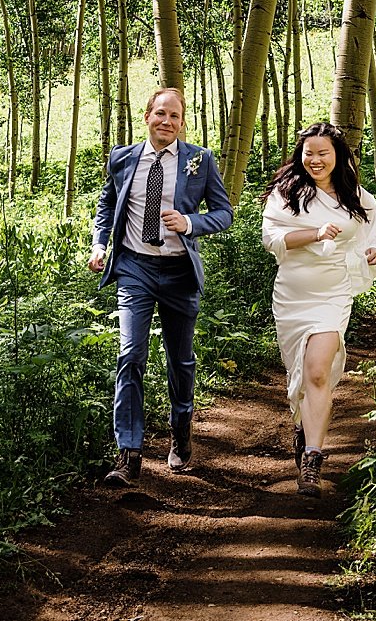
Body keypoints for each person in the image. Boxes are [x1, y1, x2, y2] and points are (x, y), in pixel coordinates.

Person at [89, 87, 233, 486]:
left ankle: (181, 429)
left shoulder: (200, 161)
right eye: (160, 114)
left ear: (182, 122)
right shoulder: (121, 159)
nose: (166, 122)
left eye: (175, 116)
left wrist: (190, 223)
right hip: (135, 269)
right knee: (131, 354)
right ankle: (129, 453)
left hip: (178, 273)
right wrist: (100, 243)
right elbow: (107, 206)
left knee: (180, 360)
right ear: (147, 117)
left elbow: (224, 213)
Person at [260, 121, 376, 497]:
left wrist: (373, 253)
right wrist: (315, 234)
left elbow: (372, 235)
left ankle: (312, 458)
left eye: (323, 153)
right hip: (292, 294)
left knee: (317, 371)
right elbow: (273, 239)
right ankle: (302, 424)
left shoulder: (357, 197)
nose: (315, 160)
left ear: (339, 157)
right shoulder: (285, 194)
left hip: (333, 294)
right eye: (308, 153)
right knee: (298, 371)